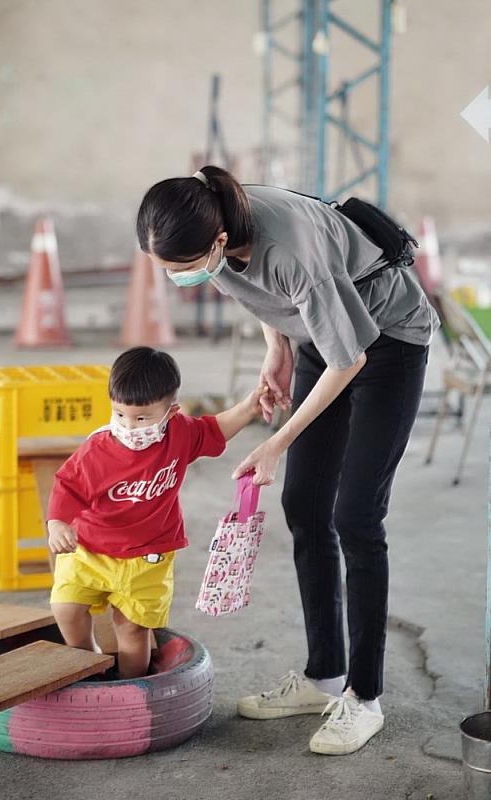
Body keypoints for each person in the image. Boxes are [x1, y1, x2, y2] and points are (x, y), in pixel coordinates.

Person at [136, 166, 440, 755]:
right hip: (319, 341)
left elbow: (348, 359)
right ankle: (324, 674)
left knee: (354, 515)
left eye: (180, 268)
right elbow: (262, 296)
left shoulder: (290, 250)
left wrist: (276, 441)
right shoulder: (214, 225)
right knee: (304, 503)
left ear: (219, 240)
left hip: (387, 343)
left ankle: (364, 696)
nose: (176, 278)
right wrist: (275, 348)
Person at [47, 346, 266, 680]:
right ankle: (87, 666)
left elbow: (216, 429)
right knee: (65, 608)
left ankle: (130, 687)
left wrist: (250, 406)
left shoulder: (180, 434)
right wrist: (58, 522)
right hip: (88, 550)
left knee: (133, 631)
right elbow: (67, 485)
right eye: (120, 414)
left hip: (148, 557)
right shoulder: (98, 449)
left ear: (171, 412)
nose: (130, 427)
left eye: (142, 418)